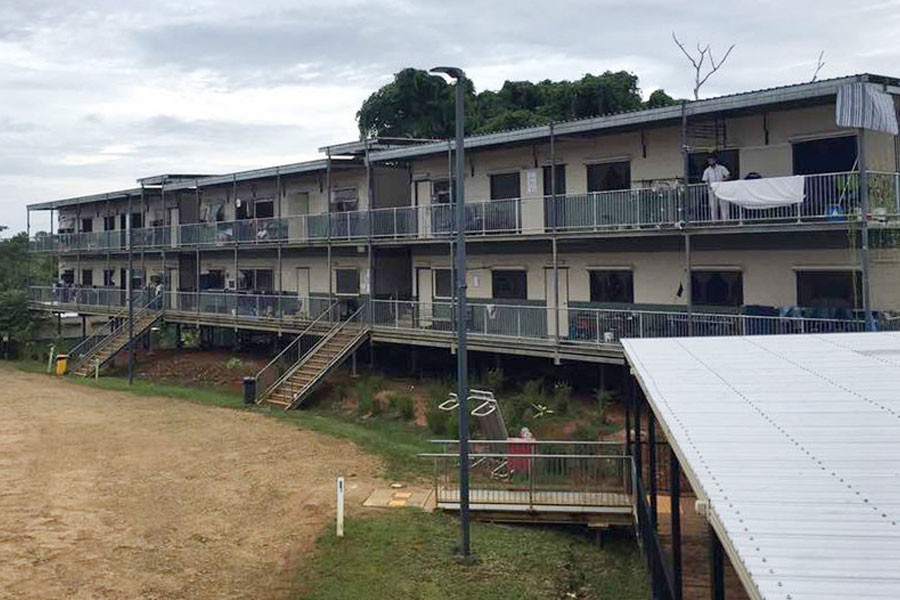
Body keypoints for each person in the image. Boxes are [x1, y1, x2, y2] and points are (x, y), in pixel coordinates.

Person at [701, 153, 731, 221]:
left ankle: (725, 221)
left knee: (724, 205)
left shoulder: (721, 168)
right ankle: (714, 221)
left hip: (721, 190)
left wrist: (723, 180)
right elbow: (705, 180)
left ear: (715, 160)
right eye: (709, 160)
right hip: (712, 190)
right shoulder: (707, 171)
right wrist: (709, 186)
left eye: (712, 160)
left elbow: (728, 175)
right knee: (713, 206)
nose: (711, 162)